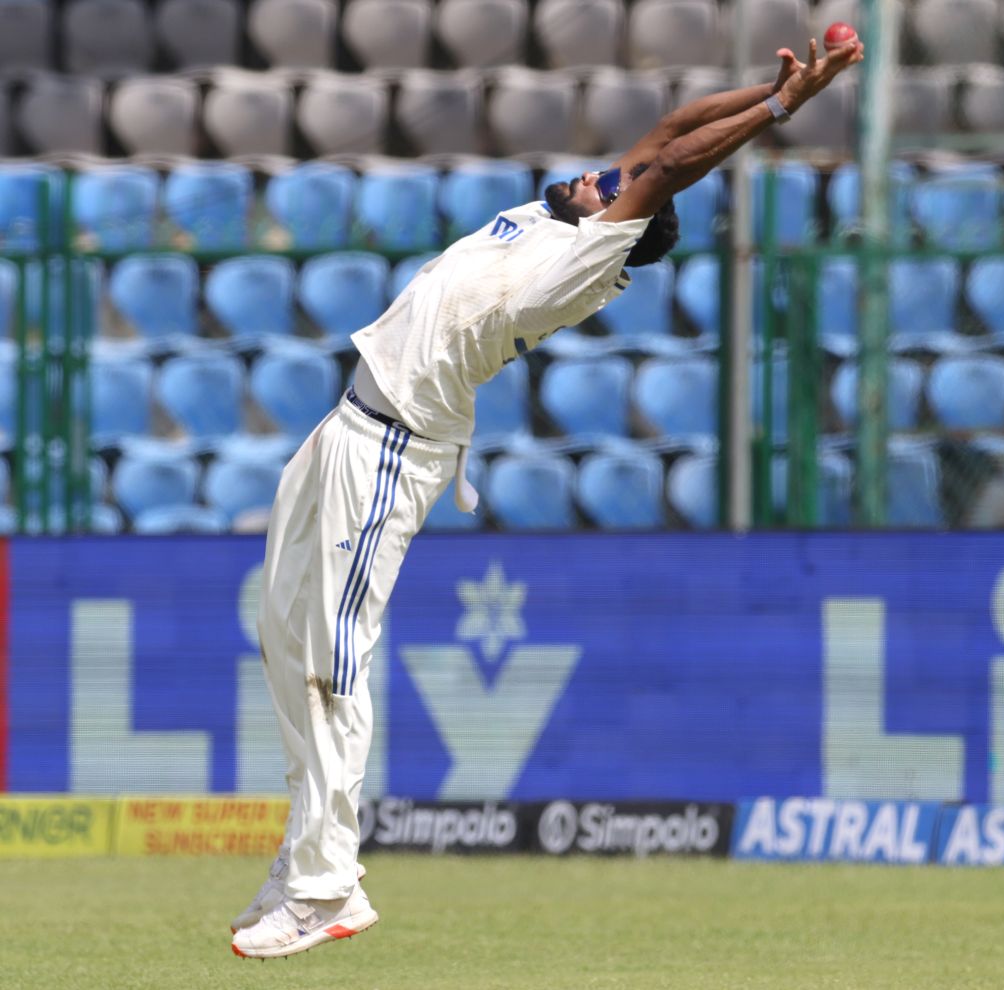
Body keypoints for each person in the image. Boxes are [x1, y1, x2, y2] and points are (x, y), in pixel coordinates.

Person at [229, 37, 865, 959]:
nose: (599, 175)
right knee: (285, 641)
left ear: (622, 227)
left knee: (334, 664)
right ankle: (307, 861)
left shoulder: (581, 260)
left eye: (616, 188)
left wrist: (781, 117)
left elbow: (672, 168)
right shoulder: (558, 214)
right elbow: (670, 133)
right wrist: (770, 85)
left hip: (390, 450)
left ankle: (328, 889)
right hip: (342, 427)